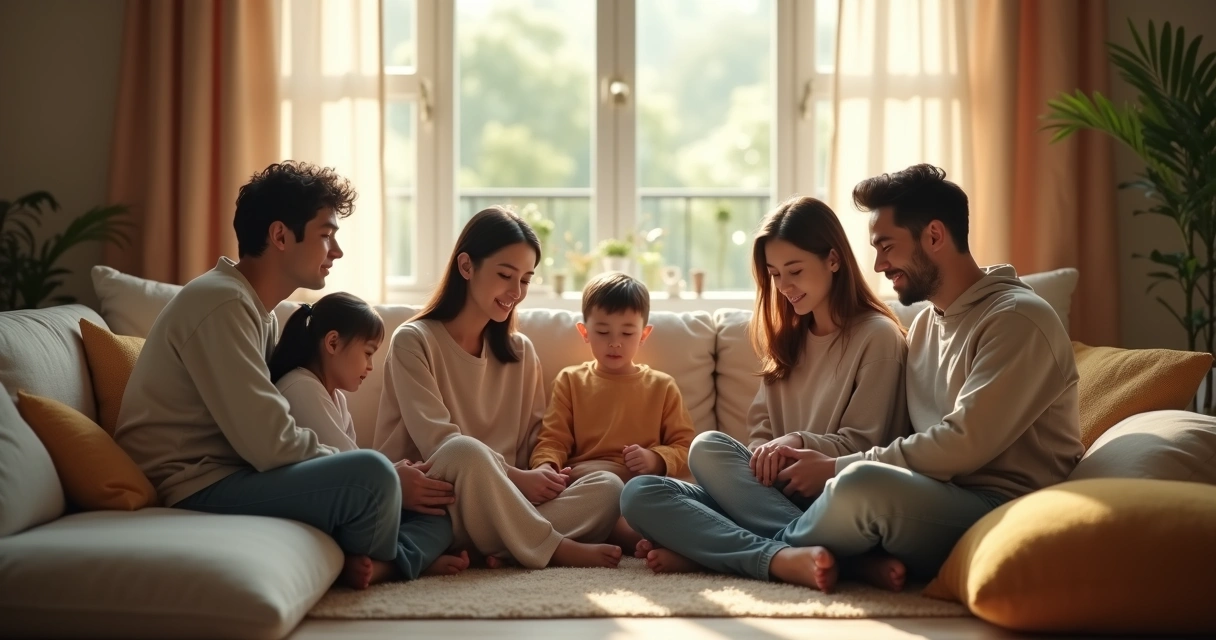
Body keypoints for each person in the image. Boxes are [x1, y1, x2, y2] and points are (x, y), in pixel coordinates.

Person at [114, 161, 454, 590]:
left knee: (436, 509)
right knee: (374, 477)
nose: (337, 251)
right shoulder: (221, 304)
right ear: (280, 236)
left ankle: (385, 557)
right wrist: (385, 475)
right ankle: (397, 556)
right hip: (194, 484)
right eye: (326, 235)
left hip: (235, 476)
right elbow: (271, 443)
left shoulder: (258, 312)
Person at [620, 195, 909, 589]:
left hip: (831, 497)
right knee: (640, 493)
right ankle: (836, 562)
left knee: (705, 447)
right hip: (768, 496)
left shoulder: (878, 337)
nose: (784, 286)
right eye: (774, 274)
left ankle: (728, 554)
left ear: (833, 260)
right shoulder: (787, 338)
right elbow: (759, 432)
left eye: (794, 270)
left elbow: (869, 444)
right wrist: (764, 462)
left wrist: (795, 443)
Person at [373, 206, 625, 570]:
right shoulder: (413, 341)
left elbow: (532, 442)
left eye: (525, 279)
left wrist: (545, 473)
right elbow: (438, 444)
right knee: (464, 450)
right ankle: (551, 548)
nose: (516, 291)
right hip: (441, 502)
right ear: (466, 267)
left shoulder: (521, 352)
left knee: (608, 486)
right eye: (506, 275)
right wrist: (519, 478)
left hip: (508, 502)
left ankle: (498, 546)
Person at [269, 292, 471, 576]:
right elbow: (350, 471)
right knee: (422, 515)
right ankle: (397, 564)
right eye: (368, 352)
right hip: (318, 507)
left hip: (344, 502)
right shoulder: (300, 386)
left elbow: (350, 461)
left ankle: (394, 560)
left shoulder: (335, 398)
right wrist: (395, 481)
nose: (370, 367)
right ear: (333, 342)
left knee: (438, 521)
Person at [529, 272, 695, 546]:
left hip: (639, 486)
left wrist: (655, 459)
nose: (615, 342)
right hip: (590, 481)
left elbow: (686, 446)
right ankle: (624, 536)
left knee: (672, 500)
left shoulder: (662, 386)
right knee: (604, 492)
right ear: (584, 332)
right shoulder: (570, 381)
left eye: (627, 333)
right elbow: (553, 439)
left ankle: (623, 534)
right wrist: (546, 466)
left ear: (644, 335)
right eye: (603, 332)